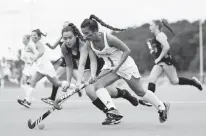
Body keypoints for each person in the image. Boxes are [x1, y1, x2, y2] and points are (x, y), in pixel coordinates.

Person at [79, 14, 170, 124]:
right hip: (109, 66)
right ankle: (113, 111)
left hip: (125, 65)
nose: (84, 36)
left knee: (140, 91)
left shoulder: (109, 38)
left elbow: (127, 50)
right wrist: (93, 75)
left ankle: (162, 106)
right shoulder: (89, 43)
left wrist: (117, 67)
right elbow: (93, 61)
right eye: (83, 34)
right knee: (97, 85)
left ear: (95, 30)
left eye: (87, 33)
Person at [54, 23, 141, 125]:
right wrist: (68, 82)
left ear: (75, 36)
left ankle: (119, 101)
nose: (67, 40)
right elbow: (69, 66)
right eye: (65, 38)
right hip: (87, 68)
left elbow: (81, 64)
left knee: (95, 90)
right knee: (99, 92)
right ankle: (112, 110)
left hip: (97, 63)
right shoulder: (64, 47)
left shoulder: (82, 43)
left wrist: (78, 82)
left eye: (70, 37)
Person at [141, 20, 203, 106]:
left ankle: (193, 82)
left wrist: (158, 58)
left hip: (166, 61)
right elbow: (160, 49)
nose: (149, 27)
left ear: (157, 26)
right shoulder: (156, 37)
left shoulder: (160, 35)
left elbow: (167, 47)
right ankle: (149, 100)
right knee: (151, 79)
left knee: (174, 81)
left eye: (151, 25)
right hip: (160, 62)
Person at [17, 29, 69, 108]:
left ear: (38, 37)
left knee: (57, 83)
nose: (33, 36)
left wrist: (34, 59)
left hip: (46, 68)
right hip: (41, 68)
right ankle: (28, 101)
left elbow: (41, 52)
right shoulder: (34, 43)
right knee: (32, 82)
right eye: (32, 35)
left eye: (35, 35)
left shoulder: (38, 43)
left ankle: (74, 87)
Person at [41, 21, 82, 106]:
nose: (63, 27)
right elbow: (53, 47)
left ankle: (54, 97)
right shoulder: (61, 37)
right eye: (62, 26)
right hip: (65, 60)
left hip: (70, 60)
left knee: (56, 78)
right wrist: (48, 44)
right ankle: (77, 88)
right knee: (78, 79)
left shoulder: (73, 37)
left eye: (65, 26)